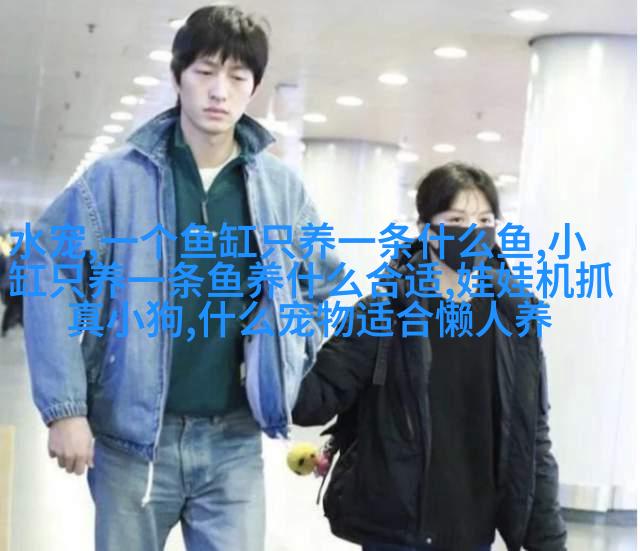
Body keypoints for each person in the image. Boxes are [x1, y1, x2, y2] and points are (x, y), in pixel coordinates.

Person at [23, 5, 340, 551]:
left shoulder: (278, 187)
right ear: (177, 77)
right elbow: (47, 268)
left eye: (237, 77)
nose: (220, 91)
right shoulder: (118, 178)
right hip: (133, 438)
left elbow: (320, 279)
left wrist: (288, 355)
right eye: (205, 72)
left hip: (234, 439)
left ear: (253, 88)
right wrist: (65, 408)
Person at [293, 162, 567, 551]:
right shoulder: (384, 313)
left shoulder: (514, 319)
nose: (472, 231)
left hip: (474, 532)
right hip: (396, 534)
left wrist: (550, 542)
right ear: (426, 229)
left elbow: (532, 438)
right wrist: (285, 328)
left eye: (485, 220)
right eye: (456, 219)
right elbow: (310, 402)